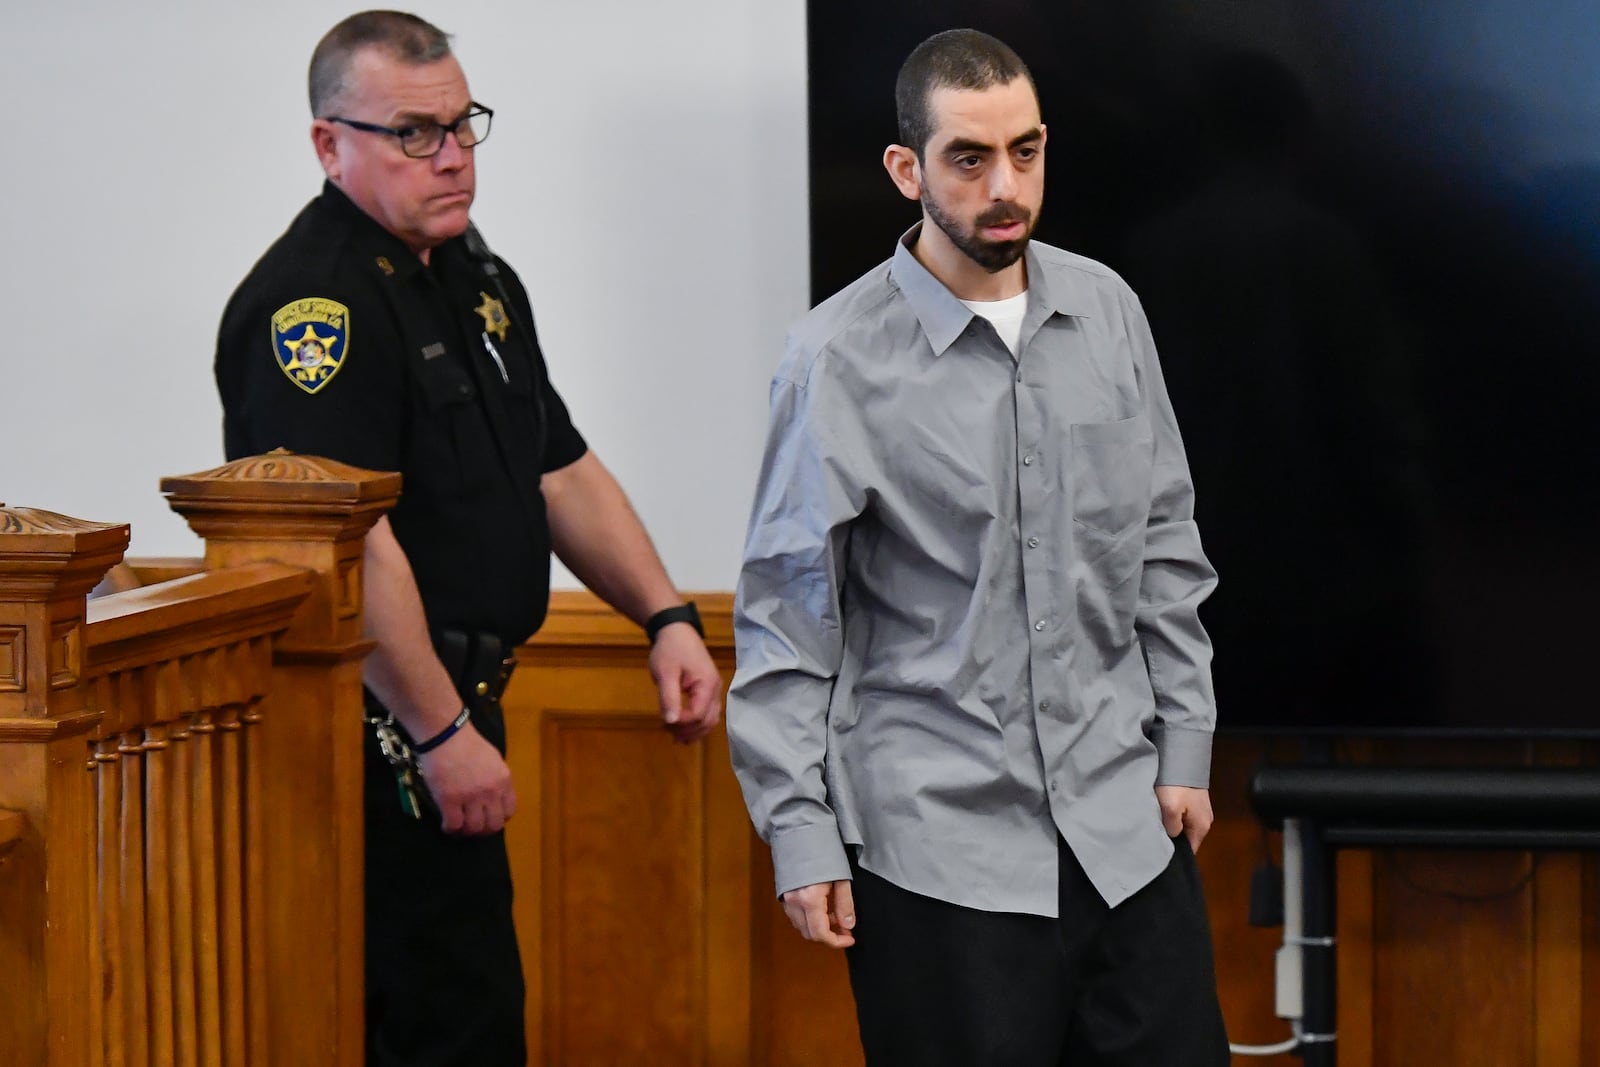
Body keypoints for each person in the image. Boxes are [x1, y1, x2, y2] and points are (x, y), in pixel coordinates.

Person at [213, 12, 722, 1066]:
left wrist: (664, 615)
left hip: (456, 708)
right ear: (328, 144)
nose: (452, 155)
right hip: (376, 731)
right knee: (444, 1021)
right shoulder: (316, 309)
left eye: (463, 125)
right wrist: (441, 734)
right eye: (414, 132)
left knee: (473, 1014)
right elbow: (354, 546)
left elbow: (559, 465)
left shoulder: (475, 278)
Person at [728, 28, 1229, 1066]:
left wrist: (1185, 740)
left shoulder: (1108, 310)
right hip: (938, 859)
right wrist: (799, 830)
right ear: (907, 169)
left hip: (1125, 831)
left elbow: (1165, 545)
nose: (1006, 185)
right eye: (969, 157)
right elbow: (788, 612)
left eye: (1027, 150)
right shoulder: (833, 359)